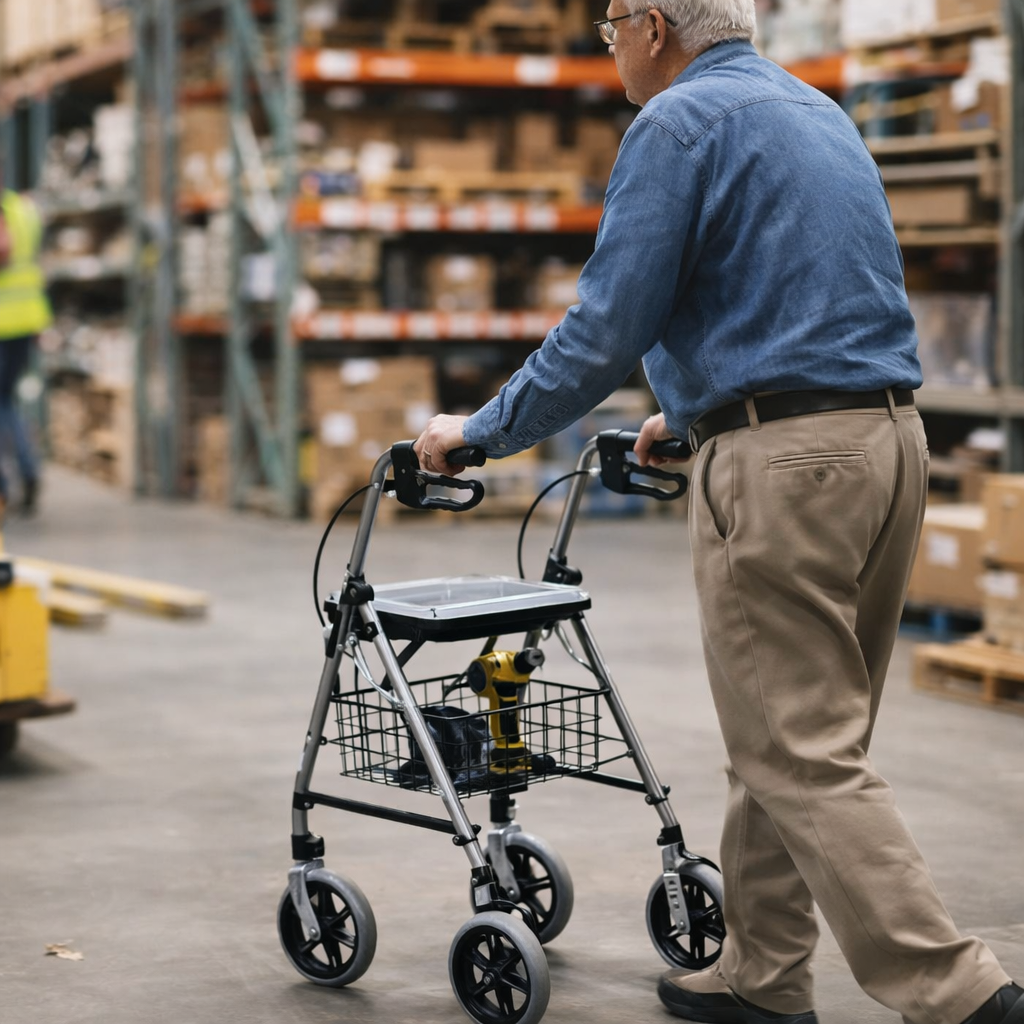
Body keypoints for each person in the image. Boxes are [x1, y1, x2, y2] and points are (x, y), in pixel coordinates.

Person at [414, 1, 1022, 1022]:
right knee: (787, 729)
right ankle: (763, 972)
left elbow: (604, 328)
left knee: (797, 745)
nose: (608, 44)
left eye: (611, 23)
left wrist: (478, 432)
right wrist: (696, 413)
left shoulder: (675, 124)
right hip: (885, 443)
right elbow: (804, 295)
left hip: (786, 469)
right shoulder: (817, 112)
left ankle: (960, 992)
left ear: (654, 26)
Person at [0, 156, 50, 517]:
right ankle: (28, 471)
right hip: (27, 318)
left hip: (3, 321)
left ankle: (6, 485)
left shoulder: (5, 211)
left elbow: (4, 253)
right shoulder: (25, 208)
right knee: (6, 400)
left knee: (1, 402)